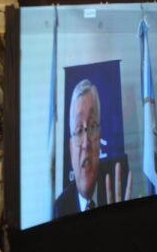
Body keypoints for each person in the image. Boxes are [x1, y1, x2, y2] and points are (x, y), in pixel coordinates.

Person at [53, 79, 131, 218]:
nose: (86, 143)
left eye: (93, 126)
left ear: (100, 138)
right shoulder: (59, 209)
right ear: (71, 149)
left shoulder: (119, 187)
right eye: (78, 130)